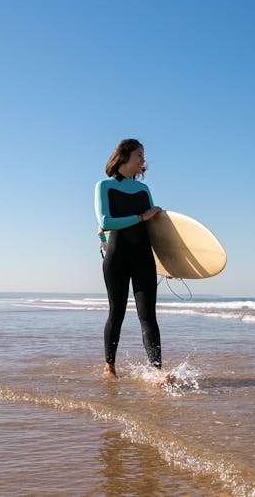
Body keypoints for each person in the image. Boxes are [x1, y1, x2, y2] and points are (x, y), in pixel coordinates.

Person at [94, 139, 165, 380]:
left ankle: (157, 370)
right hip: (117, 257)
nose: (142, 160)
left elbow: (155, 229)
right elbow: (105, 222)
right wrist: (141, 217)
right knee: (117, 313)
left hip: (144, 257)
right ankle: (109, 367)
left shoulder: (144, 191)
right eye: (139, 154)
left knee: (148, 316)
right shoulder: (105, 186)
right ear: (124, 156)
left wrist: (167, 263)